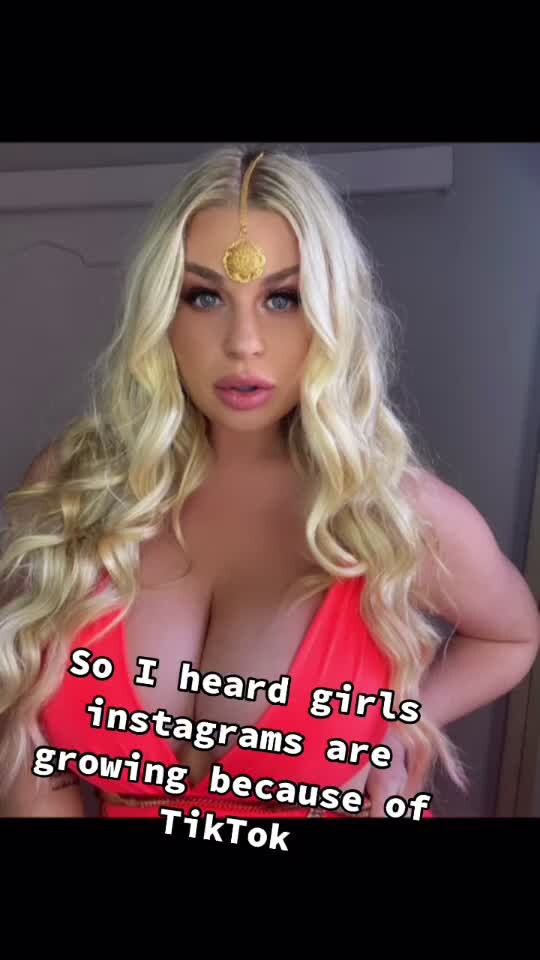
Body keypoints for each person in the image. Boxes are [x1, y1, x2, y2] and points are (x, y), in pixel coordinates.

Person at [0, 146, 538, 823]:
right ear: (162, 312)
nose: (244, 342)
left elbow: (512, 636)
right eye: (205, 297)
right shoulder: (79, 487)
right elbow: (27, 746)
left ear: (331, 315)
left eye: (283, 298)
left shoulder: (394, 512)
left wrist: (401, 726)